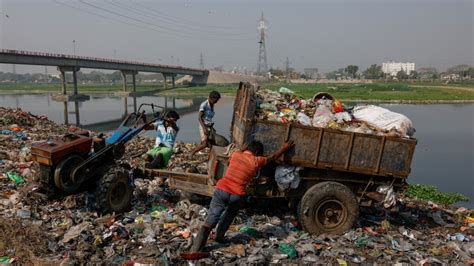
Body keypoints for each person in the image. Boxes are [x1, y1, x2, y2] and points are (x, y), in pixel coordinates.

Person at [190, 140, 294, 252]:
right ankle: (219, 238)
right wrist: (284, 147)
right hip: (237, 195)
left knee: (212, 217)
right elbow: (272, 158)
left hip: (222, 190)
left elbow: (232, 161)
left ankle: (196, 248)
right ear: (257, 152)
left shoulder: (235, 154)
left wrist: (242, 148)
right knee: (229, 215)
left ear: (247, 148)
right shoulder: (256, 161)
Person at [192, 91, 221, 155]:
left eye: (217, 100)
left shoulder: (212, 105)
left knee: (210, 142)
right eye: (216, 100)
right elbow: (199, 117)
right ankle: (192, 153)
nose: (216, 102)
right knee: (205, 144)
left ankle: (211, 157)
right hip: (204, 125)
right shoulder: (204, 105)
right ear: (211, 98)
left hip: (209, 125)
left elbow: (208, 118)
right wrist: (204, 128)